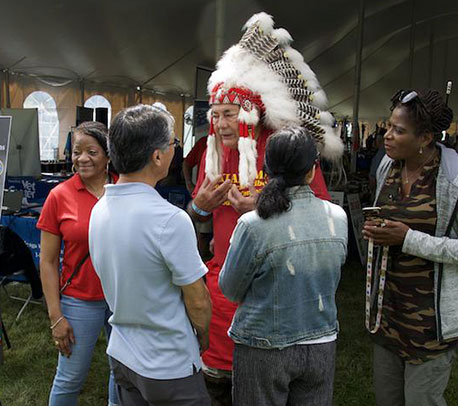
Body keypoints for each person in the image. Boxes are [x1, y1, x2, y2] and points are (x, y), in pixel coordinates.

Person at [187, 12, 344, 405]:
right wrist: (200, 209)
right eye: (216, 114)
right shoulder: (216, 155)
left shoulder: (283, 150)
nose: (221, 124)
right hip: (226, 276)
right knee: (219, 380)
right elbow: (203, 218)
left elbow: (319, 213)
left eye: (229, 114)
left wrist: (264, 206)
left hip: (278, 287)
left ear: (251, 113)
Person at [363, 89, 458, 406]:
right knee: (387, 398)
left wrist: (408, 239)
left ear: (424, 138)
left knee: (421, 399)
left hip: (432, 324)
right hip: (388, 314)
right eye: (388, 127)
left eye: (398, 130)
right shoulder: (388, 167)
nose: (387, 137)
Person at [89, 104, 212, 406]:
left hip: (122, 353)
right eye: (172, 143)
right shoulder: (169, 219)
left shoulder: (99, 208)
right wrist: (203, 335)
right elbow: (197, 300)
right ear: (157, 156)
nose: (174, 150)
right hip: (168, 363)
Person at [219, 126, 348, 406]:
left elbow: (229, 288)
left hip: (264, 345)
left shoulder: (253, 225)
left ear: (266, 170)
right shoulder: (338, 217)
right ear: (312, 171)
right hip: (320, 341)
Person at [37, 121, 119, 406]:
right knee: (70, 378)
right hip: (79, 301)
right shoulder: (59, 196)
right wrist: (55, 316)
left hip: (123, 299)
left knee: (122, 376)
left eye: (92, 152)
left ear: (109, 155)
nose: (82, 158)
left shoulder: (125, 190)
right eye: (76, 152)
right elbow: (47, 262)